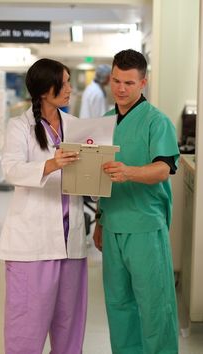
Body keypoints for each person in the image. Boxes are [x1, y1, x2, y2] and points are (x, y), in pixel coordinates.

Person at [0, 58, 87, 354]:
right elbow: (11, 169)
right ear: (46, 90)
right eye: (65, 82)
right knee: (26, 328)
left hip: (69, 240)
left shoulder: (74, 126)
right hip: (32, 246)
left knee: (69, 326)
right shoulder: (19, 126)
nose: (70, 88)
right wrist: (51, 164)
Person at [93, 49, 180, 354]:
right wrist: (100, 221)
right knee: (119, 304)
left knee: (155, 306)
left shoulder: (157, 121)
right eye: (116, 80)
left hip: (145, 225)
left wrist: (129, 172)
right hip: (113, 222)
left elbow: (163, 168)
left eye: (129, 83)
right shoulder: (104, 121)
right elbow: (99, 176)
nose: (120, 88)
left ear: (144, 82)